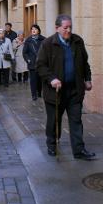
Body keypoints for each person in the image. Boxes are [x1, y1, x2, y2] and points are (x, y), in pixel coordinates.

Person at [36, 14, 95, 159]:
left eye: (70, 27)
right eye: (65, 28)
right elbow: (40, 66)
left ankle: (79, 150)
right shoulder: (48, 44)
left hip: (75, 90)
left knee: (76, 120)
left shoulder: (77, 41)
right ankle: (52, 144)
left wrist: (87, 79)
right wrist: (52, 79)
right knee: (54, 120)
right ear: (57, 28)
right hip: (55, 91)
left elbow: (85, 63)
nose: (68, 30)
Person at [24, 24, 45, 101]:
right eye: (32, 29)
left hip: (41, 63)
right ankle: (34, 94)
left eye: (35, 29)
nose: (33, 30)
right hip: (32, 63)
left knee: (39, 79)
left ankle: (39, 92)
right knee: (33, 80)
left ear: (38, 31)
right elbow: (25, 52)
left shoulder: (43, 40)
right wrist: (28, 60)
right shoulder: (28, 40)